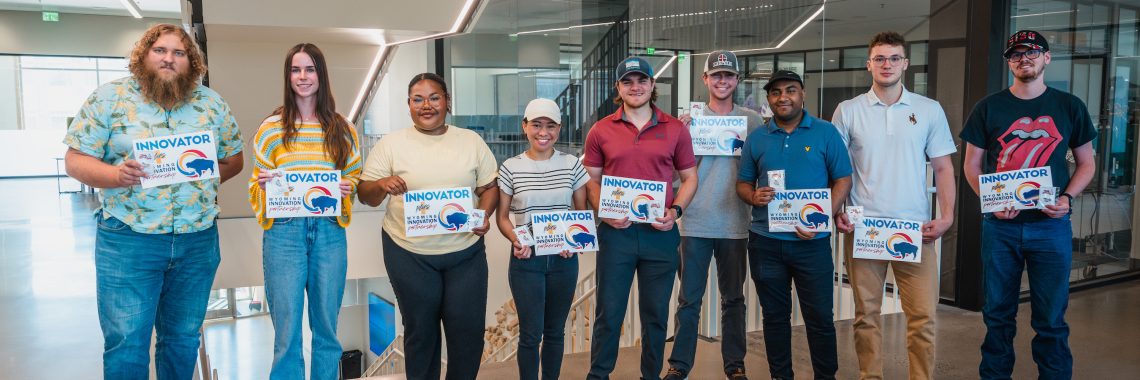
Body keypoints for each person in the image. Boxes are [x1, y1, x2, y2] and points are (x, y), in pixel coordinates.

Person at [63, 23, 244, 379]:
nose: (168, 59)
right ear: (144, 55)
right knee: (127, 345)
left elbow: (234, 159)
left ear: (190, 63)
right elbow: (76, 159)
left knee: (182, 341)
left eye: (178, 53)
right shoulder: (109, 98)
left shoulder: (211, 104)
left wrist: (200, 175)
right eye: (160, 50)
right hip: (129, 239)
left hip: (197, 240)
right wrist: (116, 176)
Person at [961, 30, 1096, 380]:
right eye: (1016, 54)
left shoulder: (1069, 106)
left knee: (1051, 319)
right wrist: (990, 201)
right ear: (1009, 62)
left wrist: (1067, 198)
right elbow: (971, 166)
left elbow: (1087, 163)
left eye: (1032, 52)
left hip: (1050, 227)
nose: (1024, 58)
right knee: (997, 316)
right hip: (1001, 228)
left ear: (1046, 58)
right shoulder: (988, 107)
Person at [830, 31, 957, 380]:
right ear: (869, 63)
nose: (887, 64)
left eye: (894, 58)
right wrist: (837, 210)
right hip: (864, 230)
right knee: (866, 316)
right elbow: (837, 170)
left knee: (923, 318)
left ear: (905, 63)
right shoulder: (848, 111)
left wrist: (946, 216)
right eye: (880, 58)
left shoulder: (928, 110)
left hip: (915, 231)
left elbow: (944, 167)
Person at [358, 72, 499, 380]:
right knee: (421, 332)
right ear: (408, 105)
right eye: (418, 99)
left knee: (467, 333)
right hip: (408, 253)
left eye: (434, 97)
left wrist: (484, 214)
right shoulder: (391, 144)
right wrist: (382, 183)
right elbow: (366, 195)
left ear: (447, 102)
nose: (426, 105)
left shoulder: (470, 141)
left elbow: (489, 187)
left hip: (465, 253)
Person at [248, 43, 361, 380]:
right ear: (288, 77)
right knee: (287, 334)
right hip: (284, 233)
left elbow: (353, 175)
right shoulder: (271, 129)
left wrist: (346, 188)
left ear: (321, 75)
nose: (303, 76)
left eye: (310, 69)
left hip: (328, 231)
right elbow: (256, 182)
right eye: (296, 70)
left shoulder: (343, 128)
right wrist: (264, 186)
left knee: (327, 329)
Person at [583, 56, 699, 380]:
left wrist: (675, 211)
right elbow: (591, 179)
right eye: (628, 81)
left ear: (652, 85)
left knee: (655, 315)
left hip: (659, 234)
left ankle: (650, 375)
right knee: (609, 313)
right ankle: (598, 375)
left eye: (642, 80)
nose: (635, 87)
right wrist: (602, 211)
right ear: (618, 88)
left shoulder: (674, 129)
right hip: (616, 234)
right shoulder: (601, 129)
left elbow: (690, 178)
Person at [736, 70, 851, 380]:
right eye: (775, 92)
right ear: (769, 99)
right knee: (774, 318)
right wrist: (753, 196)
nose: (783, 97)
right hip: (766, 243)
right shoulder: (758, 137)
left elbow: (843, 180)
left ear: (803, 95)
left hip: (812, 243)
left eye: (790, 90)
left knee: (820, 319)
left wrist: (824, 216)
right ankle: (780, 376)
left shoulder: (826, 133)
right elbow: (743, 183)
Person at [664, 50, 761, 380]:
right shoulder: (688, 122)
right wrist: (684, 136)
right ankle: (679, 366)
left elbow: (758, 170)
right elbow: (676, 176)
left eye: (728, 75)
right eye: (716, 75)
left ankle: (735, 366)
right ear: (705, 79)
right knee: (688, 300)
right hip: (694, 222)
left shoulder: (753, 121)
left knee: (733, 299)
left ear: (736, 80)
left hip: (735, 223)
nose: (722, 80)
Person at [495, 98, 588, 380]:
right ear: (525, 127)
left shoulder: (572, 164)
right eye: (536, 125)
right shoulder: (511, 167)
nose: (543, 132)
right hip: (527, 261)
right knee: (530, 334)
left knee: (555, 332)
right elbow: (502, 217)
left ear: (559, 129)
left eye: (550, 126)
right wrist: (516, 239)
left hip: (563, 261)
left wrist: (573, 244)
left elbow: (580, 213)